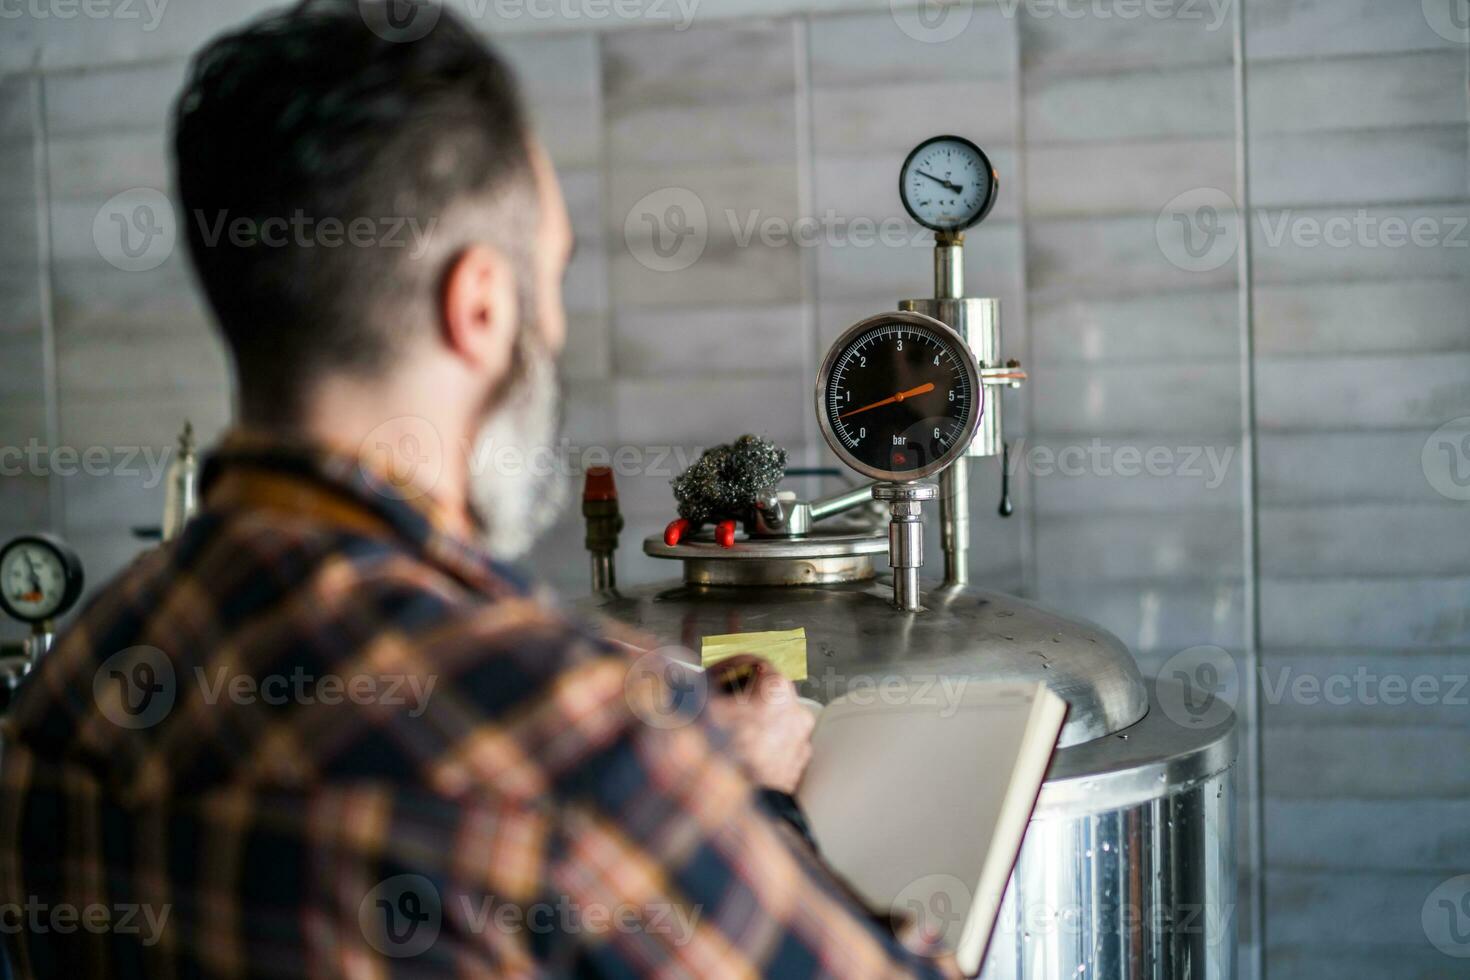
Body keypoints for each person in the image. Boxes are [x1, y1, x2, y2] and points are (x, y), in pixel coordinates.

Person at [0, 2, 956, 977]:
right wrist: (745, 796)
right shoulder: (573, 749)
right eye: (551, 280)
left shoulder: (64, 696)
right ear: (482, 307)